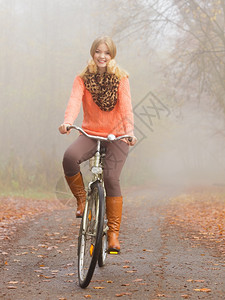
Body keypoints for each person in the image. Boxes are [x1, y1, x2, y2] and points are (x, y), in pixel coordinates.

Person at [59, 36, 137, 254]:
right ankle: (82, 202)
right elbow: (74, 101)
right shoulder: (82, 78)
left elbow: (126, 108)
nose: (102, 56)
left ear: (112, 55)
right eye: (98, 52)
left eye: (107, 53)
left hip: (118, 136)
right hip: (90, 133)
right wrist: (68, 122)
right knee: (69, 157)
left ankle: (112, 235)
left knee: (111, 178)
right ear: (92, 53)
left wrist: (129, 132)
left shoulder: (121, 78)